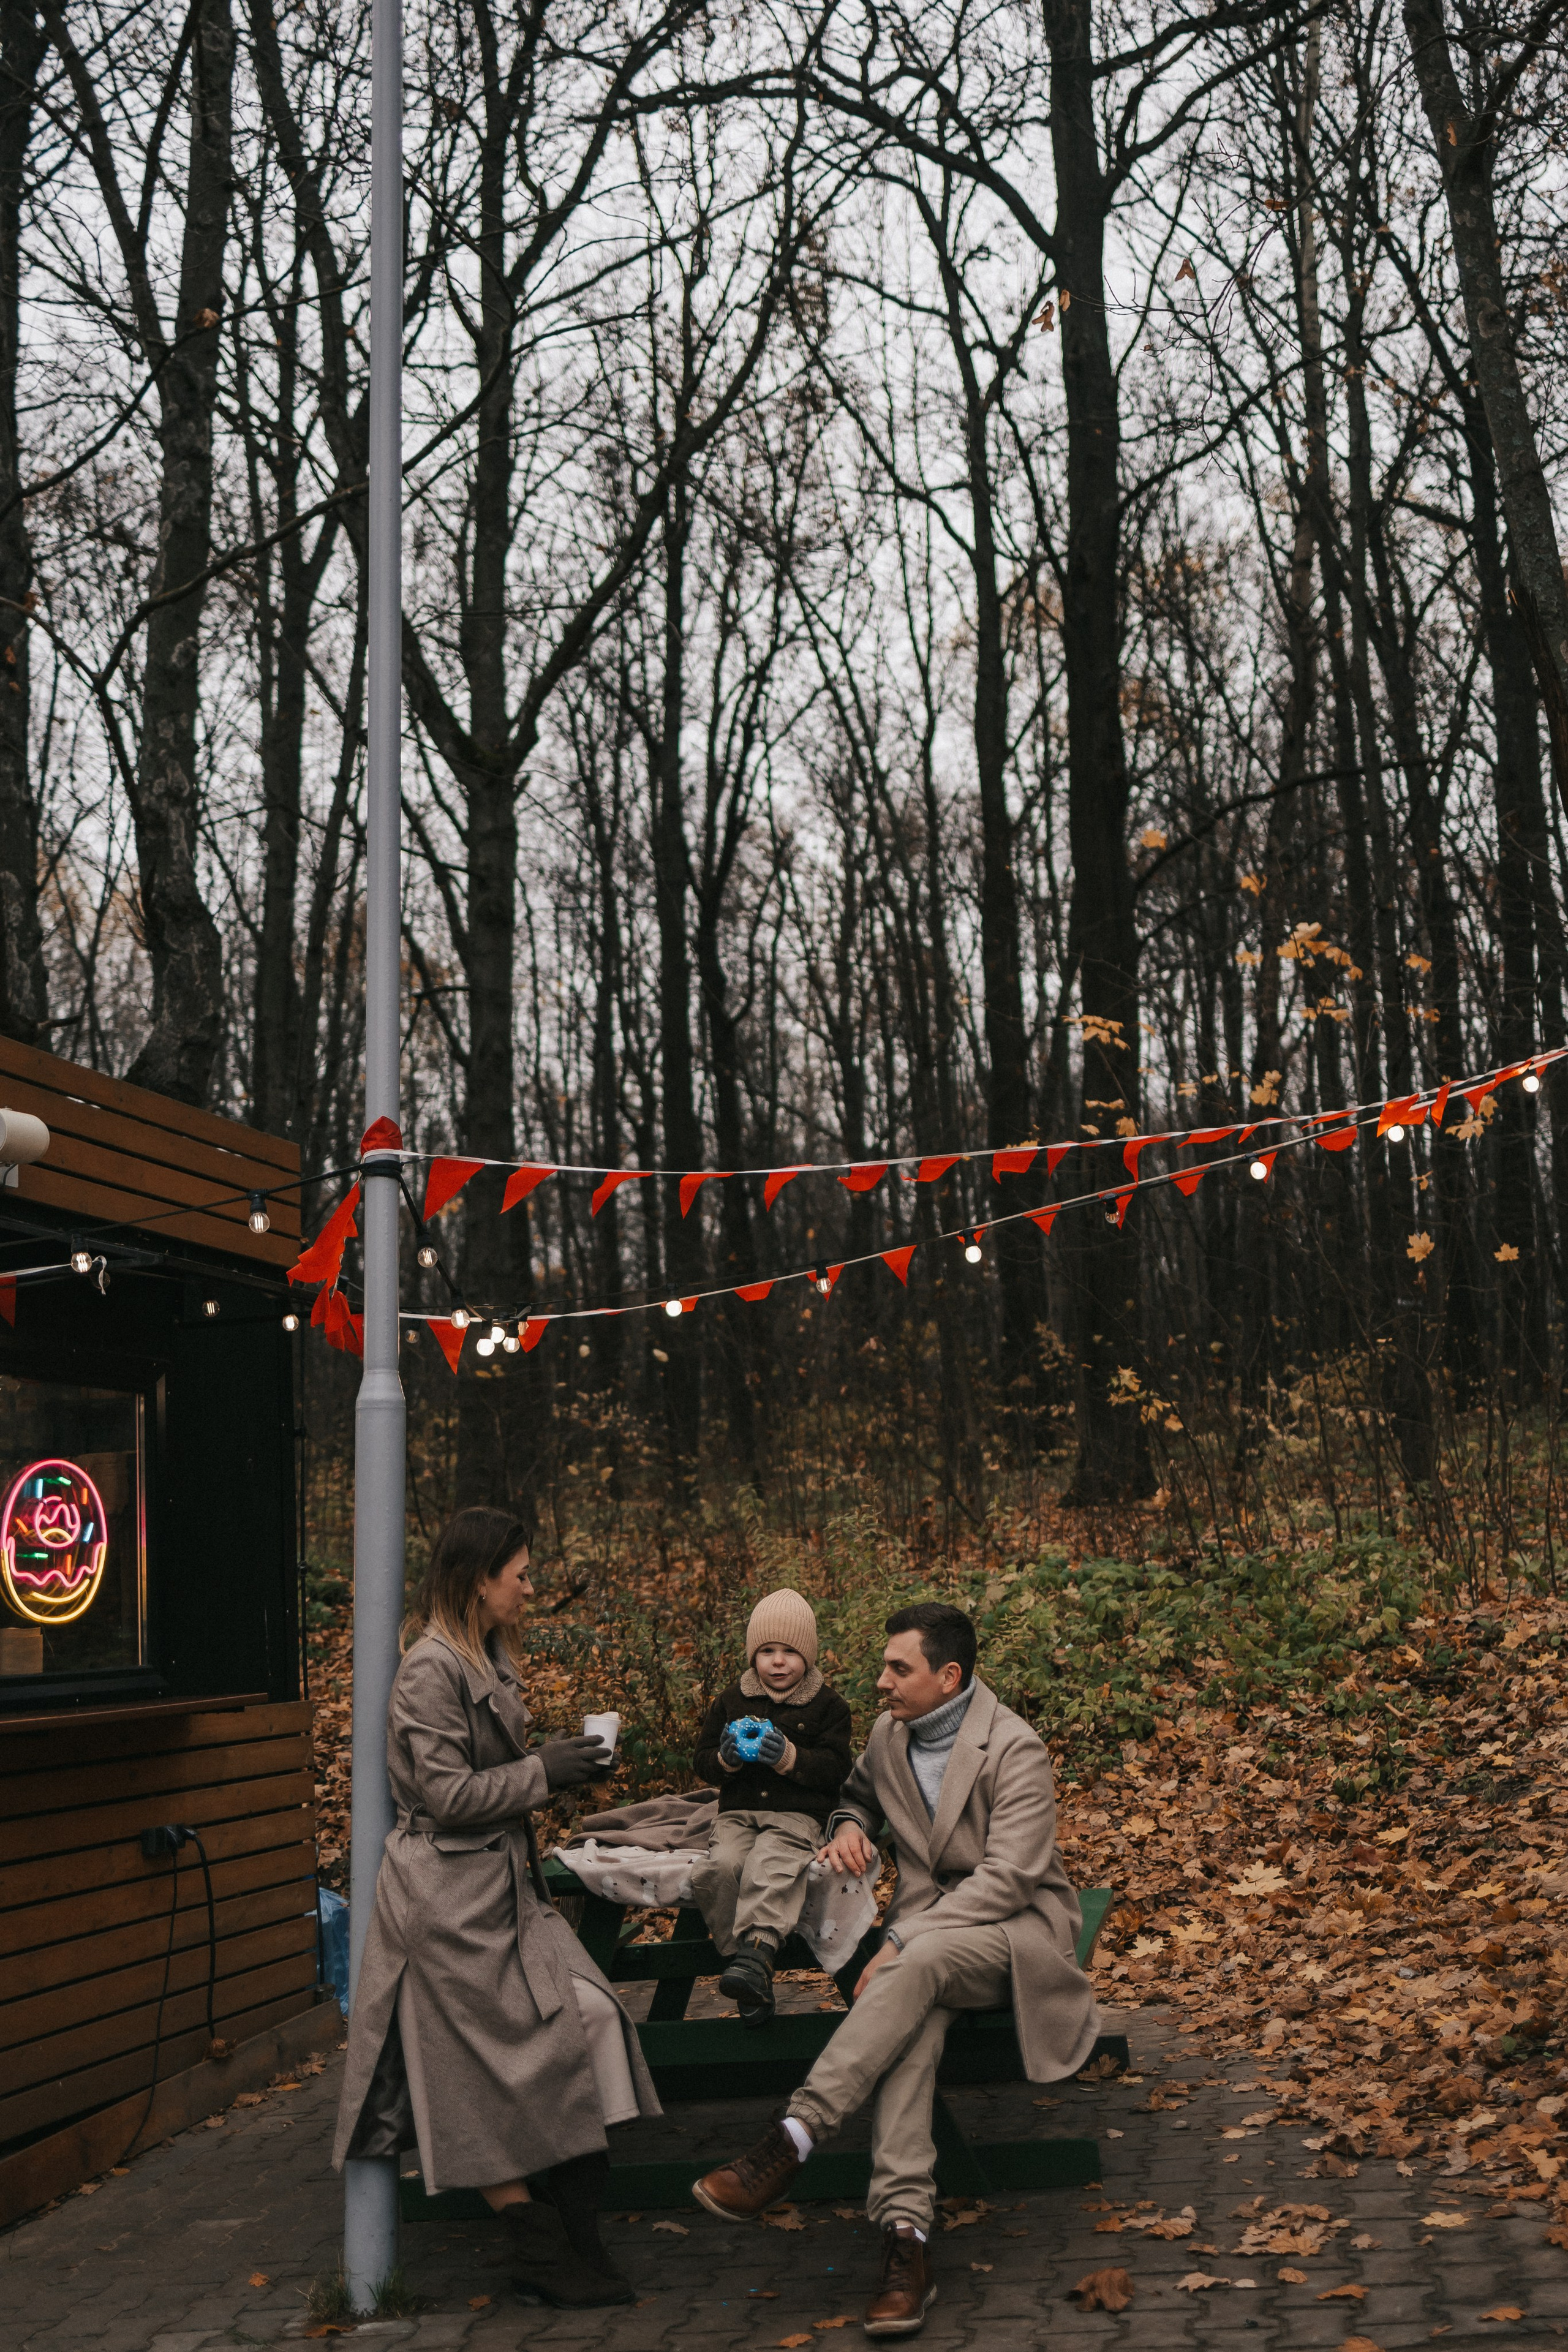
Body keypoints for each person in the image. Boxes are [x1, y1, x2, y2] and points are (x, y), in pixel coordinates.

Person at [691, 1600, 1099, 2338]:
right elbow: (855, 1795)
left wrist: (904, 1934)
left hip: (1013, 1935)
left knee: (915, 1962)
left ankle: (795, 2137)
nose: (879, 1682)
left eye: (897, 1667)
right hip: (929, 1952)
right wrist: (850, 1828)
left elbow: (1008, 1880)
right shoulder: (889, 1734)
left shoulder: (1015, 1750)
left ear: (948, 1677)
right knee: (909, 2035)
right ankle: (906, 2242)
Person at [333, 1505, 660, 2307]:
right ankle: (541, 2246)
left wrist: (563, 1769)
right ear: (479, 1581)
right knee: (471, 2080)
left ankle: (573, 2235)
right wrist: (547, 1770)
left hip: (505, 1895)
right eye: (520, 1575)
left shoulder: (483, 1655)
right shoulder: (430, 1669)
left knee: (594, 2021)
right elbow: (446, 1795)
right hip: (447, 1908)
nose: (530, 1588)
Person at [690, 1588, 854, 2023]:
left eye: (789, 1652)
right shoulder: (730, 1702)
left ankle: (758, 1951)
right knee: (721, 1867)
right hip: (738, 1813)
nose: (778, 1662)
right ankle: (745, 1967)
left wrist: (790, 1758)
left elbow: (837, 1768)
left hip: (796, 1817)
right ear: (752, 1655)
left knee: (770, 1866)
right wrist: (725, 1759)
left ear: (809, 1656)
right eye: (766, 1651)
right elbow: (703, 1760)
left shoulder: (829, 1707)